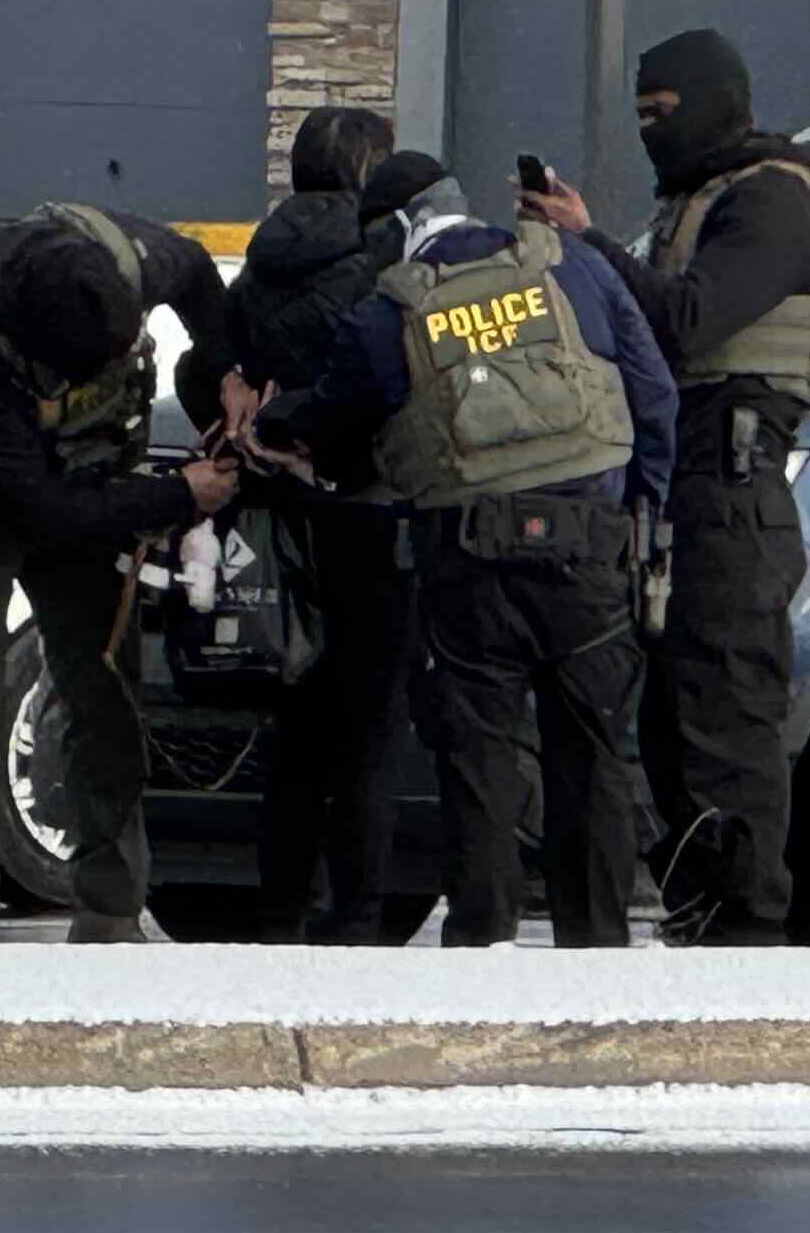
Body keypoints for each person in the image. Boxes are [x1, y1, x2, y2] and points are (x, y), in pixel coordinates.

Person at [252, 153, 673, 947]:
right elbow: (653, 392)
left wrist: (270, 422)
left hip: (468, 557)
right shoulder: (569, 264)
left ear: (396, 228)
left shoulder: (390, 311)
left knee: (478, 756)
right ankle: (598, 947)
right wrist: (644, 513)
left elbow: (335, 423)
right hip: (589, 545)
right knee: (591, 753)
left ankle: (484, 941)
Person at [522, 27, 810, 946]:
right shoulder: (698, 200)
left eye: (663, 113)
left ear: (711, 102)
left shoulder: (778, 200)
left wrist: (590, 243)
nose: (651, 133)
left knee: (725, 718)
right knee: (671, 723)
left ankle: (746, 925)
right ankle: (702, 910)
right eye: (640, 116)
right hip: (680, 487)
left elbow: (689, 321)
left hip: (734, 486)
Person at [0, 202, 239, 942]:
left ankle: (110, 910)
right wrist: (177, 495)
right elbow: (41, 507)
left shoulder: (135, 259)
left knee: (104, 693)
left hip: (85, 477)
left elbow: (200, 274)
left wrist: (230, 370)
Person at [211, 103, 406, 941]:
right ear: (369, 171)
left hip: (280, 515)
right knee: (370, 730)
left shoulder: (260, 260)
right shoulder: (382, 255)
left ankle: (280, 908)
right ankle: (357, 914)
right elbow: (387, 378)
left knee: (295, 726)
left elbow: (212, 362)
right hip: (369, 507)